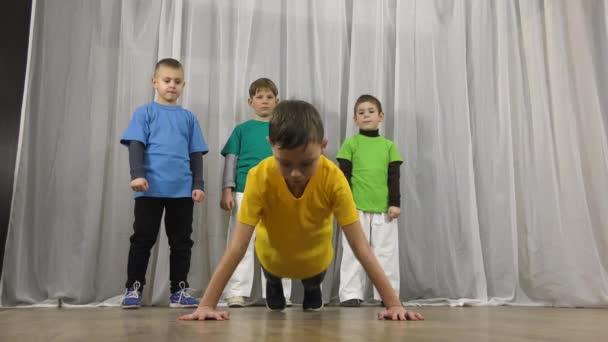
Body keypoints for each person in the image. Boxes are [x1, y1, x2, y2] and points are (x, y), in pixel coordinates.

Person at [179, 100, 423, 321]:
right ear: (270, 145)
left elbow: (361, 247)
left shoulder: (334, 179)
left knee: (312, 282)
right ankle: (273, 283)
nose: (296, 174)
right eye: (285, 163)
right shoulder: (259, 177)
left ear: (323, 146)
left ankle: (311, 286)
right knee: (273, 279)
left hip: (315, 261)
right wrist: (207, 304)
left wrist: (393, 304)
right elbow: (237, 247)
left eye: (306, 163)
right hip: (272, 258)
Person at [119, 58, 208, 309]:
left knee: (182, 242)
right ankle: (133, 288)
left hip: (181, 190)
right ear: (154, 82)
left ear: (183, 85)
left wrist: (198, 184)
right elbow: (136, 144)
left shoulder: (188, 118)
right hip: (149, 189)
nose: (172, 85)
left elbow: (196, 153)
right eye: (167, 80)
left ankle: (179, 291)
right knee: (142, 240)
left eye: (177, 81)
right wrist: (136, 174)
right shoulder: (145, 112)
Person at [220, 78, 292, 307]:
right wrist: (227, 189)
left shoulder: (283, 131)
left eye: (269, 97)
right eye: (260, 97)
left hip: (277, 194)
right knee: (241, 243)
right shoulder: (241, 130)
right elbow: (231, 161)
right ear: (250, 101)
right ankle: (236, 292)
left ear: (277, 101)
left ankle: (280, 294)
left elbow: (291, 162)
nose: (265, 101)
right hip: (244, 193)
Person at [338, 94, 402, 307]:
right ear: (355, 119)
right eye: (361, 112)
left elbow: (394, 177)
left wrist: (395, 203)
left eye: (371, 111)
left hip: (384, 209)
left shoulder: (389, 146)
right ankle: (350, 294)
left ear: (381, 116)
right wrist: (344, 205)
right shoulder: (350, 144)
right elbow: (343, 177)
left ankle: (386, 294)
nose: (366, 115)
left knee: (386, 253)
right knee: (353, 250)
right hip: (355, 208)